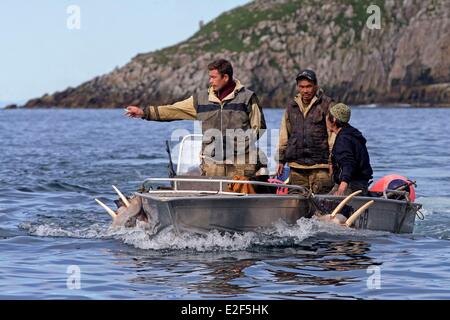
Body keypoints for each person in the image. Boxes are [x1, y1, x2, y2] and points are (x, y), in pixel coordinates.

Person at [125, 59, 267, 177]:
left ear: (225, 77)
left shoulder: (248, 97)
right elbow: (173, 110)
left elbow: (259, 128)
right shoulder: (201, 99)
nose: (210, 81)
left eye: (213, 77)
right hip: (212, 166)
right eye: (209, 77)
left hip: (241, 165)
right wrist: (144, 113)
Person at [276, 69, 335, 194]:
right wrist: (281, 160)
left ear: (316, 86)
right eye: (302, 87)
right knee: (296, 204)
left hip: (321, 166)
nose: (305, 90)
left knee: (322, 204)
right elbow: (284, 135)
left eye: (308, 86)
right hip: (296, 167)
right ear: (297, 87)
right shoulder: (291, 106)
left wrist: (332, 161)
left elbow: (333, 135)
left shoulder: (327, 105)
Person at [326, 103, 373, 196]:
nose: (326, 119)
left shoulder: (343, 139)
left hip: (351, 185)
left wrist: (342, 187)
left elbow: (348, 163)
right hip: (361, 184)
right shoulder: (352, 134)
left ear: (334, 119)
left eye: (328, 116)